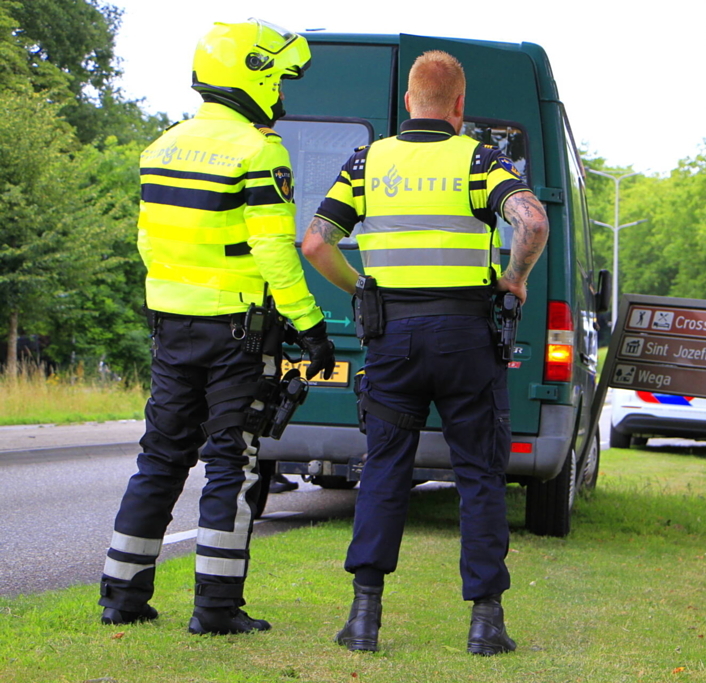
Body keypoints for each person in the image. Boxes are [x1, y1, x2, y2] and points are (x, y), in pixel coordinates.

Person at [301, 49, 549, 655]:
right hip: (467, 337)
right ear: (459, 108)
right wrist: (514, 278)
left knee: (384, 469)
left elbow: (315, 244)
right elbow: (533, 223)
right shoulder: (480, 159)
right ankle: (486, 622)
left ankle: (363, 618)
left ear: (409, 102)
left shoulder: (368, 162)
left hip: (394, 340)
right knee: (479, 474)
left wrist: (362, 288)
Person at [98, 19, 335, 636]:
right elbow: (276, 253)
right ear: (252, 76)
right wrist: (311, 328)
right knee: (234, 461)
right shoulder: (260, 152)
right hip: (238, 330)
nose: (282, 96)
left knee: (160, 457)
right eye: (280, 80)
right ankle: (217, 609)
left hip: (171, 327)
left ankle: (121, 595)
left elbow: (149, 244)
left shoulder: (160, 148)